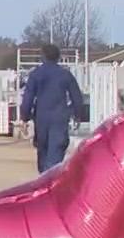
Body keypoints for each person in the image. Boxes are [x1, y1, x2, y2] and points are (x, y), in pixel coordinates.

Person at [19, 42, 84, 173]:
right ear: (58, 57)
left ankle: (44, 181)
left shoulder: (35, 74)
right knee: (55, 156)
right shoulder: (65, 75)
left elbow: (28, 98)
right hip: (60, 119)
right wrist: (78, 115)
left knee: (42, 155)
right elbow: (77, 97)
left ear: (42, 57)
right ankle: (51, 183)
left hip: (41, 119)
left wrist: (24, 118)